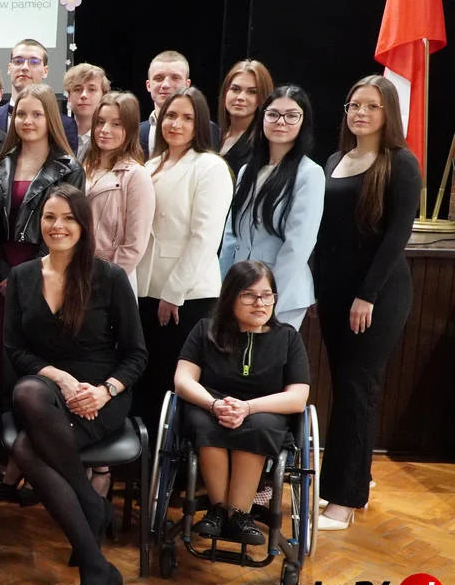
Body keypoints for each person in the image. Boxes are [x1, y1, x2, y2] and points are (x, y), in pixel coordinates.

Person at [4, 184, 146, 585]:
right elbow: (15, 350)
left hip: (100, 395)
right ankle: (95, 549)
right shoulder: (23, 276)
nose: (58, 226)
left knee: (26, 448)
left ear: (83, 225)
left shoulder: (110, 277)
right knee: (26, 392)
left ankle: (94, 566)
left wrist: (104, 391)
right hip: (48, 389)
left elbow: (137, 355)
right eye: (50, 217)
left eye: (68, 218)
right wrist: (62, 380)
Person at [313, 76, 421, 530]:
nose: (360, 113)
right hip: (335, 292)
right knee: (347, 388)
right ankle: (356, 476)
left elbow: (398, 236)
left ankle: (343, 501)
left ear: (387, 112)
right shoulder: (335, 159)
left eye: (371, 106)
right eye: (354, 105)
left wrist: (367, 295)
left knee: (359, 388)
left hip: (376, 295)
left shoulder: (401, 163)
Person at [0, 83, 85, 504]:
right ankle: (10, 462)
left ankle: (28, 465)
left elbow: (67, 228)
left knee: (34, 364)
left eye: (36, 114)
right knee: (0, 365)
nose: (27, 121)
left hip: (47, 272)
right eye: (20, 114)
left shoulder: (68, 168)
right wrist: (2, 272)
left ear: (50, 120)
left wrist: (26, 274)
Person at [174, 261, 309, 546]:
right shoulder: (206, 330)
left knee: (258, 426)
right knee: (202, 422)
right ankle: (218, 509)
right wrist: (214, 405)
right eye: (249, 295)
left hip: (265, 409)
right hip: (211, 403)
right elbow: (183, 380)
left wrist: (248, 408)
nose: (260, 303)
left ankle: (238, 515)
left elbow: (298, 397)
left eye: (267, 295)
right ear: (230, 297)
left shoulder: (288, 338)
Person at [133, 87, 234, 432]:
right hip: (146, 287)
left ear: (200, 124)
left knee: (173, 380)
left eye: (187, 118)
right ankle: (144, 456)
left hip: (186, 295)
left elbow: (205, 237)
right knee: (147, 379)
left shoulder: (210, 166)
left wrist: (174, 291)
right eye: (171, 116)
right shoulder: (151, 165)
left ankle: (173, 461)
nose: (176, 124)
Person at [220, 85, 324, 330]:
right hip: (240, 290)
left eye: (291, 115)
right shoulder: (247, 170)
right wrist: (225, 288)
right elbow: (231, 235)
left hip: (280, 295)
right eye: (273, 114)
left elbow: (298, 246)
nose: (281, 122)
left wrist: (269, 300)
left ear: (303, 122)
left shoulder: (309, 173)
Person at [80, 91, 155, 294]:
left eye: (116, 124)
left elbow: (135, 245)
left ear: (129, 129)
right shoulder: (83, 168)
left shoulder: (136, 175)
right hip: (77, 273)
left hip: (112, 280)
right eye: (100, 122)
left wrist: (104, 282)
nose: (105, 130)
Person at [0, 39, 78, 152]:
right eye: (18, 61)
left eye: (34, 62)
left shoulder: (65, 125)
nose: (24, 67)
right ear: (9, 68)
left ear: (45, 71)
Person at [137, 51, 221, 157]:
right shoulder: (136, 132)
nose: (166, 85)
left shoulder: (208, 130)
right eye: (159, 78)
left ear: (187, 84)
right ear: (148, 85)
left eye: (175, 78)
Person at [217, 60, 274, 175]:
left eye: (252, 92)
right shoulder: (212, 134)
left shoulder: (264, 145)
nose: (241, 97)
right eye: (235, 89)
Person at [64, 63, 111, 160]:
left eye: (92, 89)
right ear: (69, 97)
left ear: (104, 96)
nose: (84, 95)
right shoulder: (58, 137)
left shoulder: (111, 138)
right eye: (78, 89)